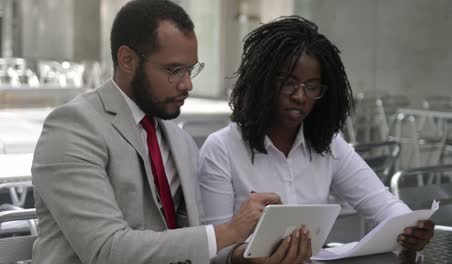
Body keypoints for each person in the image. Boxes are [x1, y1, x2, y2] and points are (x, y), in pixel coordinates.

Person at [31, 1, 282, 263]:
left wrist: (242, 256)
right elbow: (106, 250)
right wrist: (230, 231)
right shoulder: (73, 127)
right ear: (127, 60)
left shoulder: (178, 140)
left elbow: (192, 242)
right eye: (174, 70)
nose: (188, 84)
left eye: (190, 69)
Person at [199, 16, 435, 263]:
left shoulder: (328, 144)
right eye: (288, 83)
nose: (300, 96)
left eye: (312, 86)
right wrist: (245, 258)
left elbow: (382, 204)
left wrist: (411, 228)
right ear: (262, 82)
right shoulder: (221, 148)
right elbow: (215, 250)